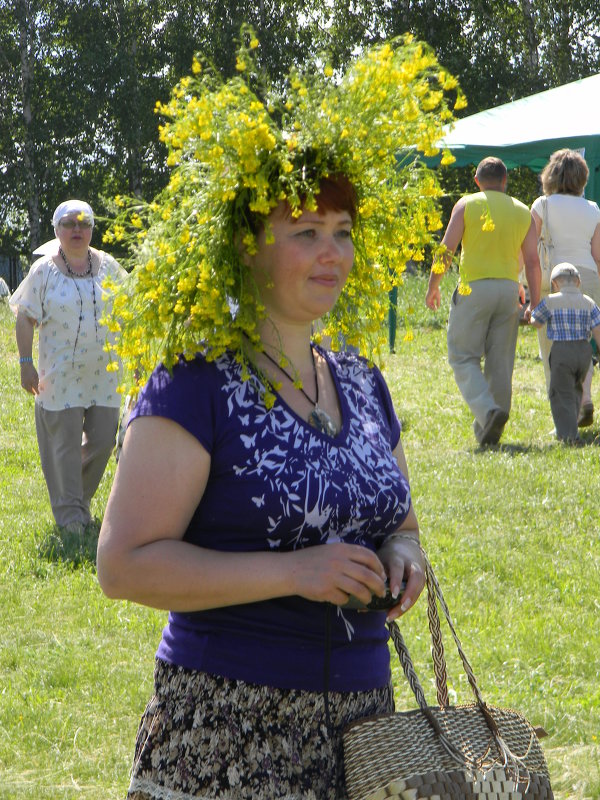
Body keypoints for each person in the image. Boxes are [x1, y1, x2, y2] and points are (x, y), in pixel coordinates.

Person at [93, 32, 463, 800]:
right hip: (228, 737)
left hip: (367, 739)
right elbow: (122, 565)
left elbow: (403, 522)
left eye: (343, 233)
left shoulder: (361, 379)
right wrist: (296, 572)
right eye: (305, 234)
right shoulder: (195, 383)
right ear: (247, 246)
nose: (333, 254)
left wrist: (405, 560)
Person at [10, 200, 126, 532]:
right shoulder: (43, 270)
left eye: (84, 223)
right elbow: (25, 318)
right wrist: (24, 363)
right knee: (63, 450)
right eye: (69, 223)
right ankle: (71, 518)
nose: (77, 229)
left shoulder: (108, 266)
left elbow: (131, 307)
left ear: (91, 228)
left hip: (105, 377)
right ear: (56, 229)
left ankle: (75, 500)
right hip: (59, 378)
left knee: (104, 440)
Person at [425, 157, 541, 446]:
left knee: (463, 356)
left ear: (476, 181)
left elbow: (446, 250)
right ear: (505, 181)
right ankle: (491, 430)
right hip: (508, 290)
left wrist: (433, 286)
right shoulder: (522, 210)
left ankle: (488, 412)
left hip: (473, 288)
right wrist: (535, 302)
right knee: (501, 363)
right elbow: (533, 261)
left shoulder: (467, 204)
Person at [531, 148, 600, 427]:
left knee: (554, 351)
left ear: (550, 175)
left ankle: (565, 418)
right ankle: (584, 396)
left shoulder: (542, 205)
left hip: (555, 278)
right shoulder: (593, 209)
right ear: (582, 177)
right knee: (584, 343)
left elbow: (529, 249)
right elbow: (598, 255)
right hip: (588, 277)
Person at [530, 262, 600, 443]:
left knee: (561, 392)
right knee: (576, 388)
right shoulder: (588, 302)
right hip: (584, 352)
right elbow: (597, 329)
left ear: (555, 284)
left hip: (562, 351)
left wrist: (529, 316)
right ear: (578, 282)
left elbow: (536, 322)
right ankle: (573, 424)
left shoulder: (551, 301)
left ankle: (568, 435)